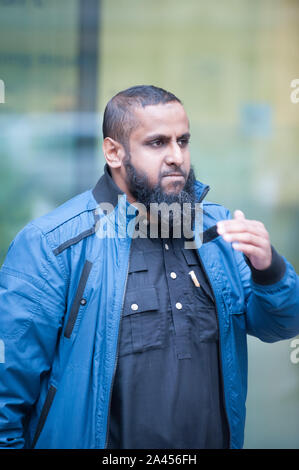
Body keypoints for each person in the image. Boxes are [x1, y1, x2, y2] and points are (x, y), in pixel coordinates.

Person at [0, 85, 298, 450]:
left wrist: (269, 270)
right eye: (158, 143)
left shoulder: (217, 231)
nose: (176, 156)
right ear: (113, 152)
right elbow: (6, 396)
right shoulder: (53, 245)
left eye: (183, 141)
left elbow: (281, 324)